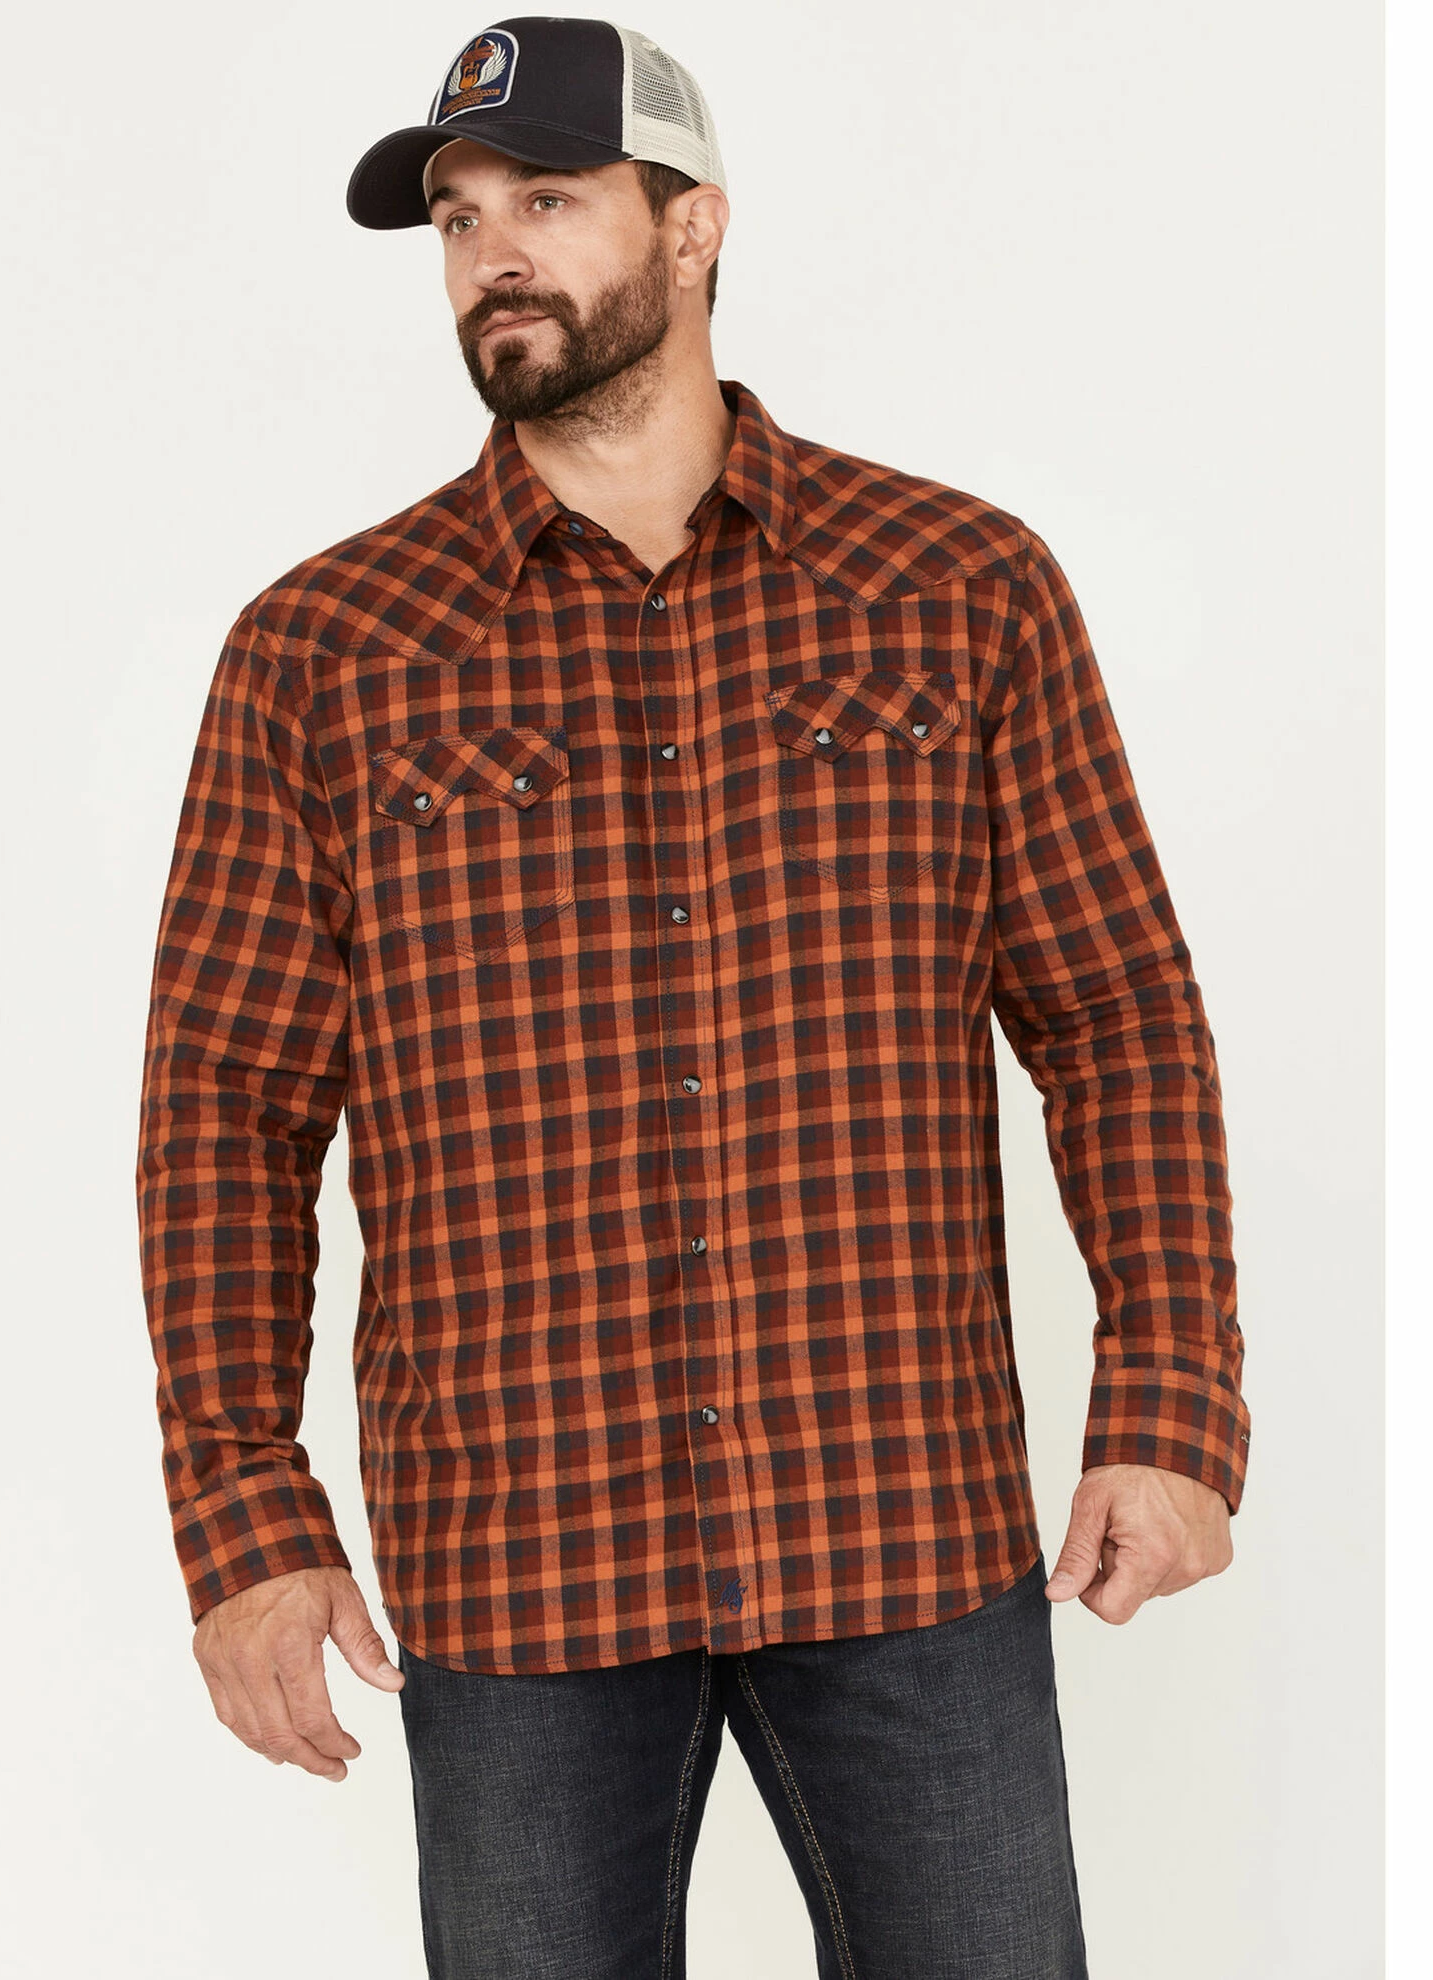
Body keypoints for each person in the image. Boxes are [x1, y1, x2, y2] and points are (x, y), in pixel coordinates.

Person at [136, 16, 1251, 1978]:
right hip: (521, 1560)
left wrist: (1168, 1402)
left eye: (549, 201)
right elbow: (228, 1110)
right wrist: (246, 1513)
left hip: (897, 1523)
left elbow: (1118, 1019)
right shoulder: (325, 652)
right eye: (459, 219)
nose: (493, 254)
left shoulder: (961, 588)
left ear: (694, 225)